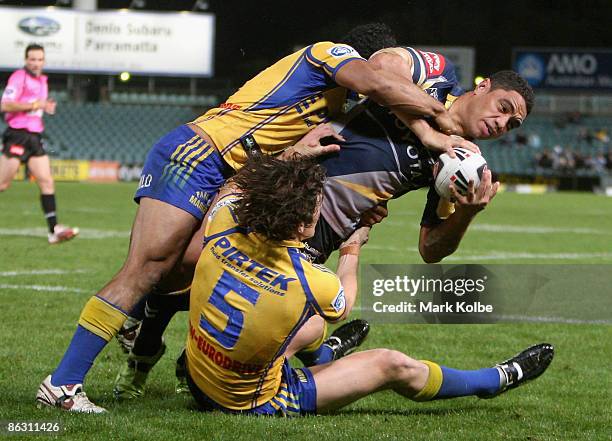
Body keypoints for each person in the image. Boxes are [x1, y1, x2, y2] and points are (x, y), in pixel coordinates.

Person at [37, 37, 479, 413]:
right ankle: (65, 382)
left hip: (222, 169)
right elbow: (381, 82)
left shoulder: (331, 107)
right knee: (149, 271)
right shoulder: (331, 54)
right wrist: (435, 130)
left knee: (185, 270)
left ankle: (141, 332)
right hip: (203, 153)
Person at [112, 67, 534, 399]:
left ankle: (192, 365)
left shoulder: (456, 166)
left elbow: (430, 248)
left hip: (316, 238)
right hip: (281, 198)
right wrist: (429, 126)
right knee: (178, 273)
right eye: (503, 106)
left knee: (298, 326)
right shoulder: (432, 79)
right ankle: (144, 357)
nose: (503, 122)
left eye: (513, 123)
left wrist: (467, 214)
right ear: (483, 87)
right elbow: (381, 63)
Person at [184, 155, 553, 415]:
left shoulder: (224, 221)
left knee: (308, 322)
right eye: (317, 204)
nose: (321, 207)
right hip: (248, 401)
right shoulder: (310, 281)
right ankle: (493, 379)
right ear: (300, 227)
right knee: (389, 365)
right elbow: (342, 300)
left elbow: (235, 185)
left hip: (197, 375)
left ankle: (327, 353)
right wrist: (352, 244)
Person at [0, 44, 78, 244]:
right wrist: (36, 105)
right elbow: (5, 104)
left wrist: (46, 108)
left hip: (34, 137)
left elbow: (39, 107)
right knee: (3, 184)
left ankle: (54, 230)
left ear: (44, 61)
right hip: (17, 134)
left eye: (39, 59)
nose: (36, 63)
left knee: (46, 181)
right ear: (26, 60)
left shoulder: (43, 80)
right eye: (32, 59)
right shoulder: (19, 77)